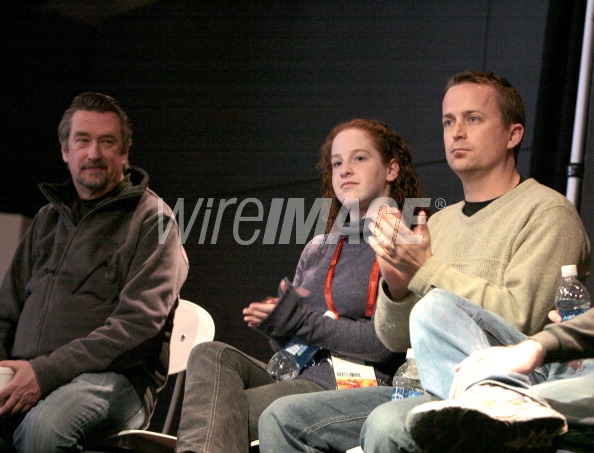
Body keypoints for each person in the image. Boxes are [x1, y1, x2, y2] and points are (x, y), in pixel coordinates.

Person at [258, 71, 591, 453]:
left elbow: (521, 318)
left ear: (513, 135)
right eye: (449, 121)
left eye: (473, 119)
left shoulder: (547, 212)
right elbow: (394, 338)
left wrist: (425, 271)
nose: (456, 133)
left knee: (388, 421)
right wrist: (397, 289)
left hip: (512, 388)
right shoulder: (439, 222)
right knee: (283, 418)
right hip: (423, 383)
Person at [175, 119, 424, 453]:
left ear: (392, 169)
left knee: (218, 413)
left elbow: (387, 344)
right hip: (299, 377)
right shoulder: (319, 247)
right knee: (210, 354)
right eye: (337, 163)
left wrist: (303, 322)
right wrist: (277, 325)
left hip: (357, 384)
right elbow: (290, 348)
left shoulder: (407, 241)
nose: (345, 170)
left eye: (359, 158)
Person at [0, 92, 189, 452]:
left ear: (124, 152)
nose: (93, 154)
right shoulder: (47, 219)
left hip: (115, 379)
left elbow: (137, 326)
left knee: (43, 430)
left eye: (107, 142)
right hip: (29, 372)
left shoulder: (153, 219)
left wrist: (44, 373)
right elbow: (5, 310)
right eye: (82, 141)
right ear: (65, 151)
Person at [405, 301, 594, 452]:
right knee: (431, 308)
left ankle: (500, 400)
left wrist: (540, 346)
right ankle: (494, 394)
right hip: (558, 360)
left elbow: (522, 314)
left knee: (386, 422)